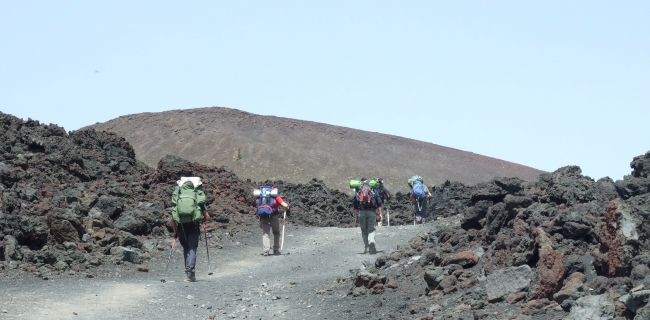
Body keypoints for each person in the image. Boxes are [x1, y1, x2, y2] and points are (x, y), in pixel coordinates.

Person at [170, 177, 210, 282]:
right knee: (192, 248)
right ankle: (190, 273)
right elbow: (207, 216)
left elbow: (173, 218)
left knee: (186, 248)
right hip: (193, 226)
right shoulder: (196, 196)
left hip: (180, 227)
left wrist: (175, 232)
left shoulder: (178, 197)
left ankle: (188, 271)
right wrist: (203, 220)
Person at [255, 185, 289, 256]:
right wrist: (287, 207)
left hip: (264, 217)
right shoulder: (276, 197)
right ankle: (276, 250)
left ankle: (266, 251)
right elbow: (285, 205)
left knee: (265, 234)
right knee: (276, 233)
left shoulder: (260, 198)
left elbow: (257, 205)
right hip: (273, 216)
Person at [352, 178, 383, 254]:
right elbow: (379, 203)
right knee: (371, 229)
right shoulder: (373, 190)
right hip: (372, 212)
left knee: (364, 231)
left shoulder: (358, 191)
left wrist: (355, 219)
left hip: (361, 213)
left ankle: (366, 248)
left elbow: (355, 206)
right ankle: (371, 241)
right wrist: (380, 214)